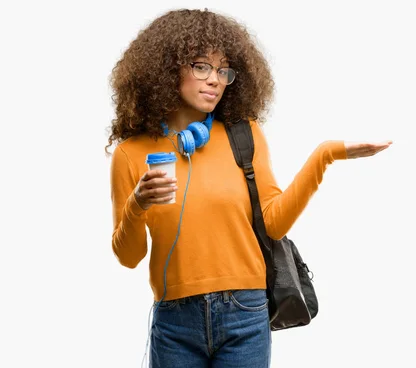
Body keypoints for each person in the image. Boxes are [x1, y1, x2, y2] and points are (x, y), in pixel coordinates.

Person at [106, 8, 392, 368]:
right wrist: (137, 203)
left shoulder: (245, 134)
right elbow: (129, 256)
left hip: (245, 311)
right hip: (174, 320)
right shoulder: (131, 154)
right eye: (201, 66)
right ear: (166, 68)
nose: (215, 80)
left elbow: (272, 224)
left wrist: (325, 156)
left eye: (223, 70)